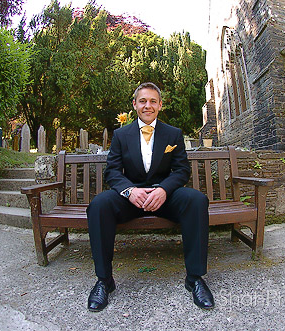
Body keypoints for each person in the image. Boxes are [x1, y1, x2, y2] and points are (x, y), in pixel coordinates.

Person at [86, 82, 214, 311]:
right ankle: (104, 280)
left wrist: (164, 190)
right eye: (143, 101)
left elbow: (182, 170)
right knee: (98, 205)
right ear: (134, 104)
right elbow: (113, 172)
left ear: (160, 105)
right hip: (131, 198)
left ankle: (195, 278)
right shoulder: (121, 135)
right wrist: (129, 191)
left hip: (164, 197)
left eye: (153, 101)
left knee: (196, 200)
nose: (148, 105)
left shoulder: (173, 133)